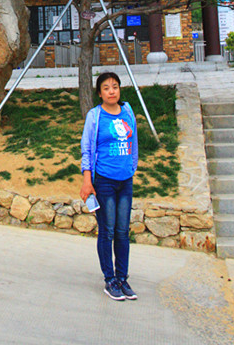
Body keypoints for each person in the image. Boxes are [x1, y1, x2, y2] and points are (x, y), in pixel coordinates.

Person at [80, 71, 138, 301]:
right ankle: (109, 280)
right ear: (100, 92)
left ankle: (122, 278)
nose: (112, 91)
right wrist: (87, 181)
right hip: (103, 181)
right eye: (106, 88)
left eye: (115, 86)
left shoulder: (128, 111)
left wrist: (132, 167)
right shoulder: (95, 116)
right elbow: (87, 149)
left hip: (126, 181)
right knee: (108, 230)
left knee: (123, 232)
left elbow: (133, 141)